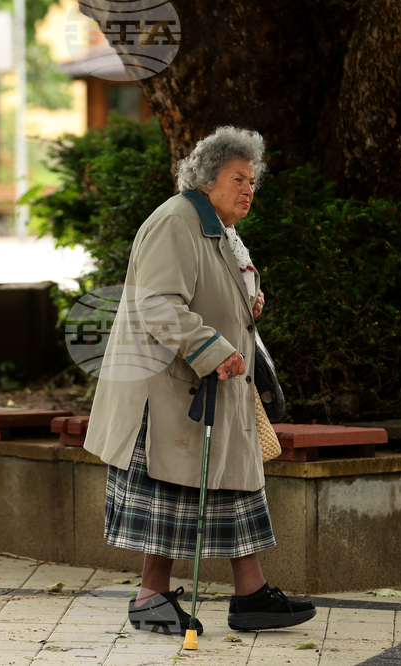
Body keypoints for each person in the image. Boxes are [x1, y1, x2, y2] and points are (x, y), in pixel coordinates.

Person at [84, 127, 316, 636]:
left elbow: (227, 284)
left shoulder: (218, 229)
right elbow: (158, 304)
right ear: (208, 178)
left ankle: (250, 595)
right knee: (178, 492)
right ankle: (154, 598)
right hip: (170, 389)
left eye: (252, 181)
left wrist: (249, 301)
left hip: (209, 386)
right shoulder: (176, 222)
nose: (248, 189)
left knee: (233, 488)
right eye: (238, 178)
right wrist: (212, 350)